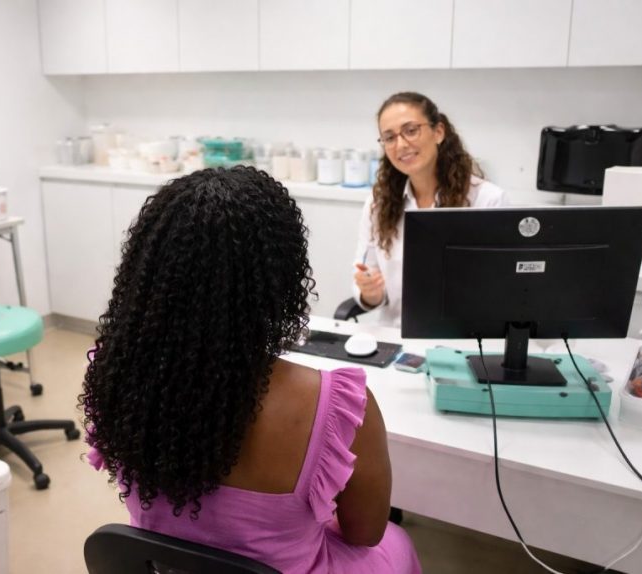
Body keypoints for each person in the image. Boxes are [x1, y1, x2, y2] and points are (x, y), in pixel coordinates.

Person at [81, 167, 421, 574]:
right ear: (280, 277)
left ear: (149, 270)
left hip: (165, 567)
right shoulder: (337, 404)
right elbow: (365, 532)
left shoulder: (116, 374)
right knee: (396, 543)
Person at [354, 92, 506, 326]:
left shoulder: (487, 200)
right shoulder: (378, 205)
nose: (401, 145)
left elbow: (498, 287)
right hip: (395, 334)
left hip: (462, 336)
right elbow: (368, 277)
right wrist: (370, 293)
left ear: (438, 132)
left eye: (411, 130)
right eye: (389, 138)